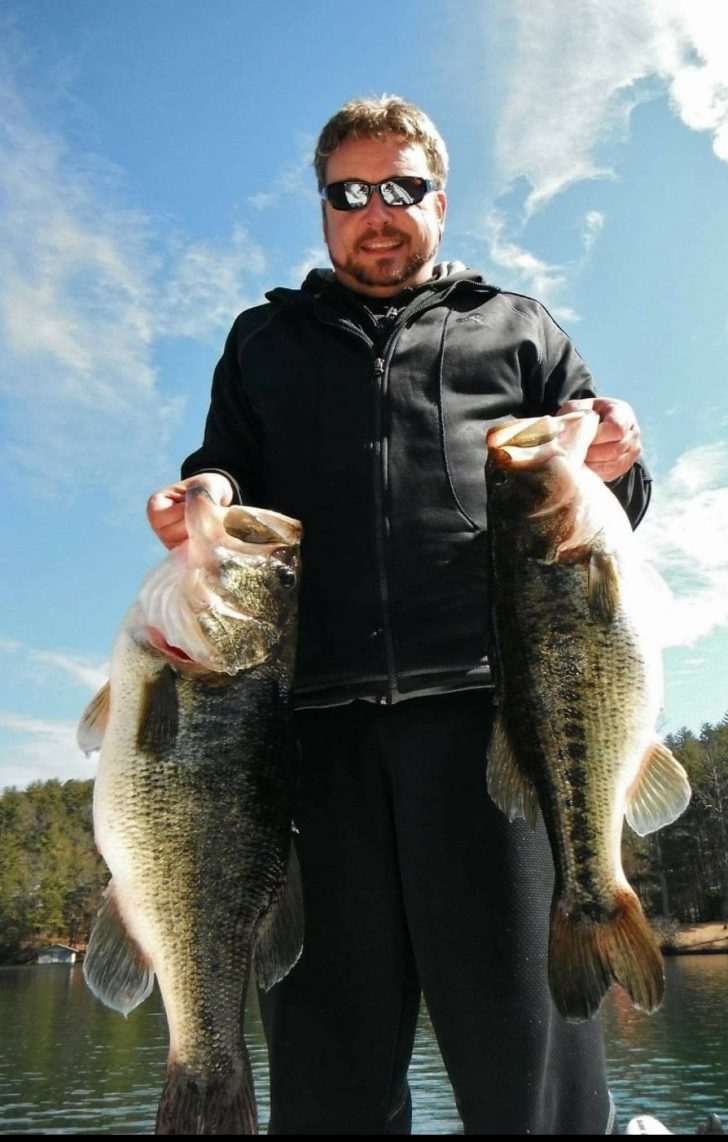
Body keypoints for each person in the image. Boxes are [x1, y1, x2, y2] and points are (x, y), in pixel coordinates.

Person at [148, 95, 651, 1135]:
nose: (376, 212)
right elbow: (222, 468)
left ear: (438, 199)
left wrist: (616, 456)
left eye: (401, 188)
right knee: (328, 1073)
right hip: (304, 742)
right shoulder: (262, 341)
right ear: (324, 209)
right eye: (350, 193)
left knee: (529, 1069)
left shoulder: (517, 328)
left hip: (498, 727)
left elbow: (608, 504)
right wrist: (196, 494)